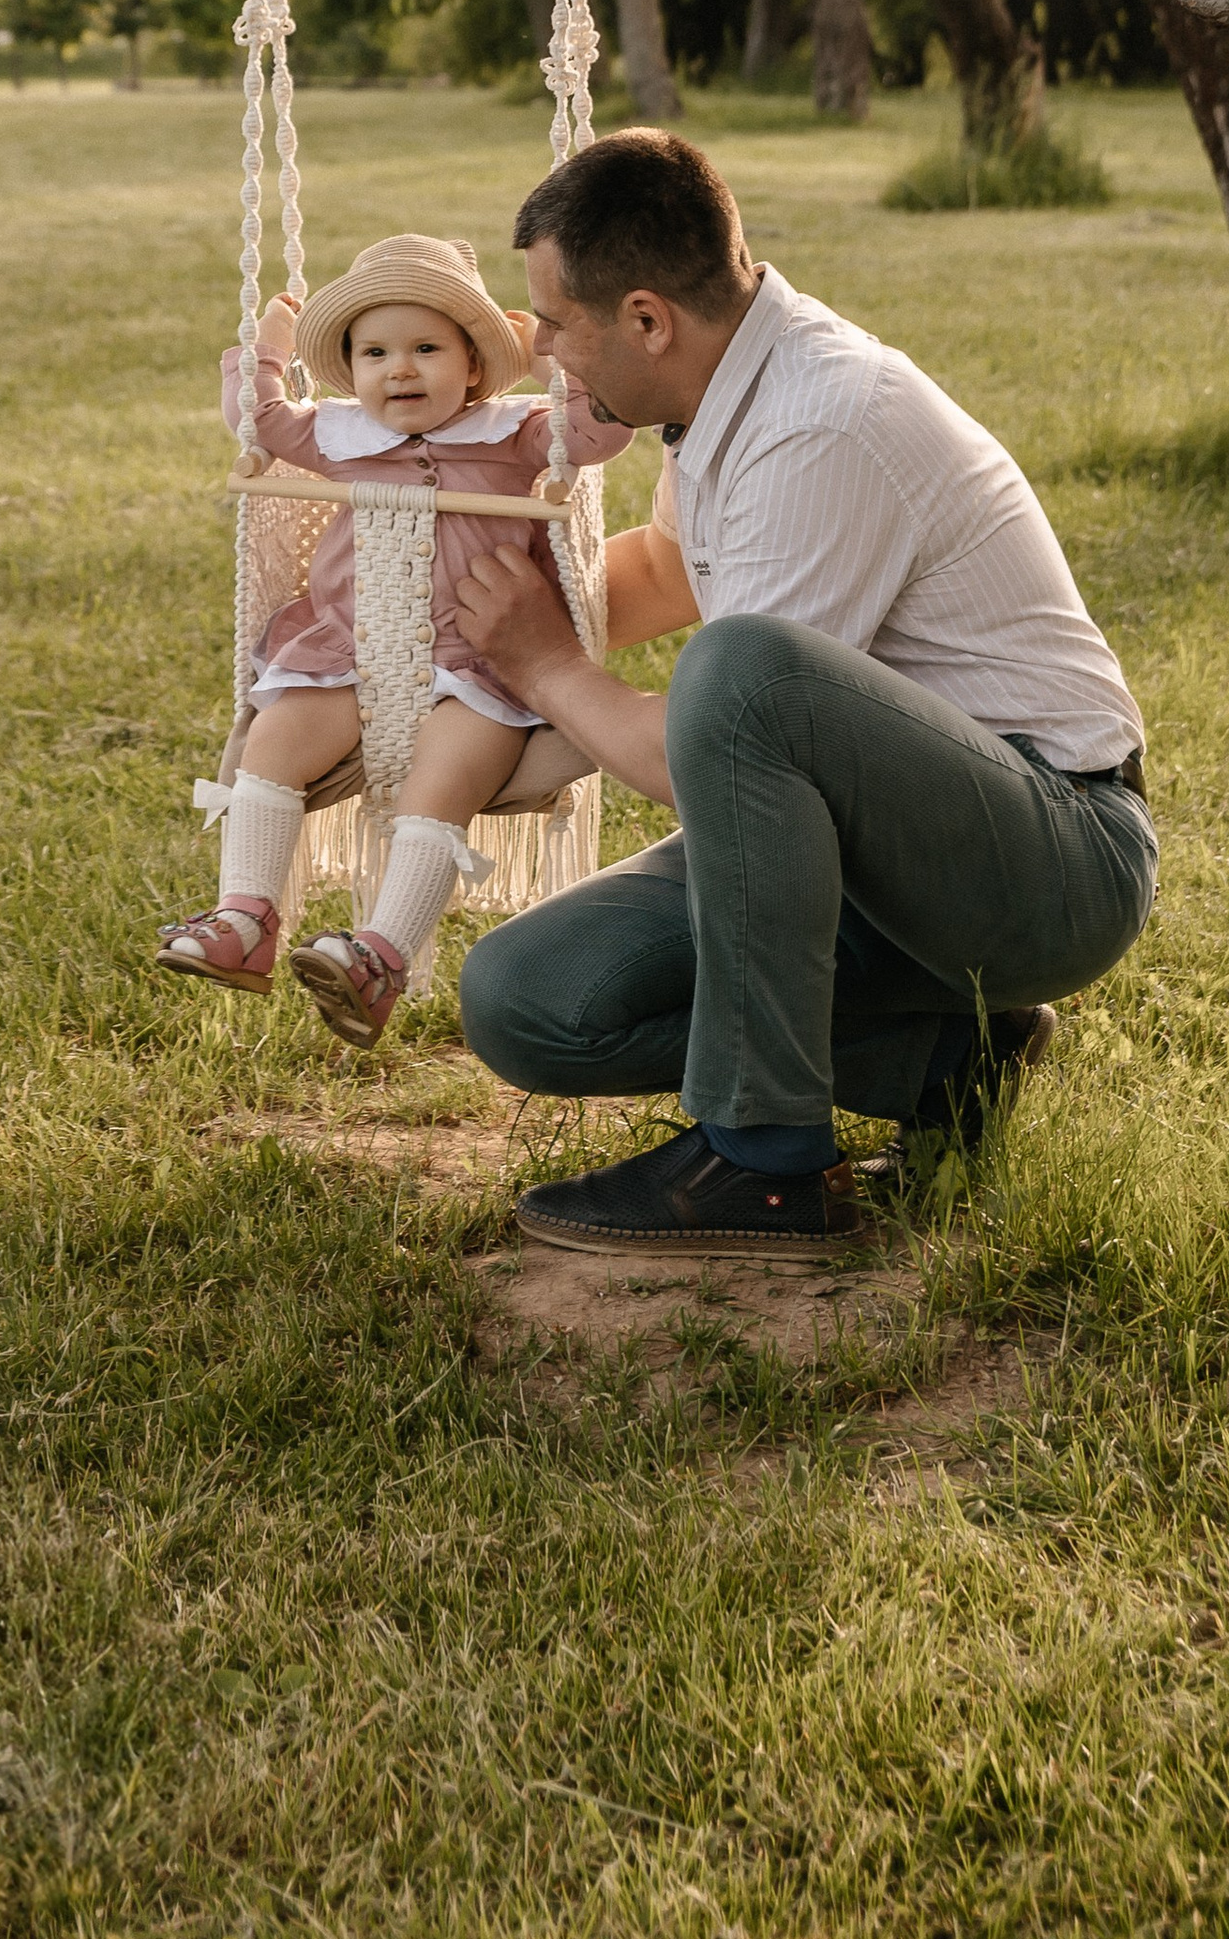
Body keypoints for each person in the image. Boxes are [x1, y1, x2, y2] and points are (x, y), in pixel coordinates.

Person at [449, 130, 1157, 1251]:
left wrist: (543, 665)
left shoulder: (822, 417)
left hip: (1051, 858)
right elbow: (672, 569)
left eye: (553, 322)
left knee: (738, 670)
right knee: (525, 998)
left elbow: (716, 743)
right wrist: (466, 626)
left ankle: (761, 1159)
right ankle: (950, 1061)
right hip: (876, 847)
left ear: (646, 319)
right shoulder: (724, 390)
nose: (540, 351)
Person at [158, 232, 624, 1046]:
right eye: (374, 352)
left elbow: (599, 431)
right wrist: (268, 343)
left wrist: (547, 353)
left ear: (475, 363)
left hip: (480, 662)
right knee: (273, 744)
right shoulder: (339, 435)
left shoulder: (518, 433)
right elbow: (258, 418)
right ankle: (246, 917)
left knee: (441, 786)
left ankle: (379, 959)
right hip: (347, 647)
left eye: (426, 349)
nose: (398, 369)